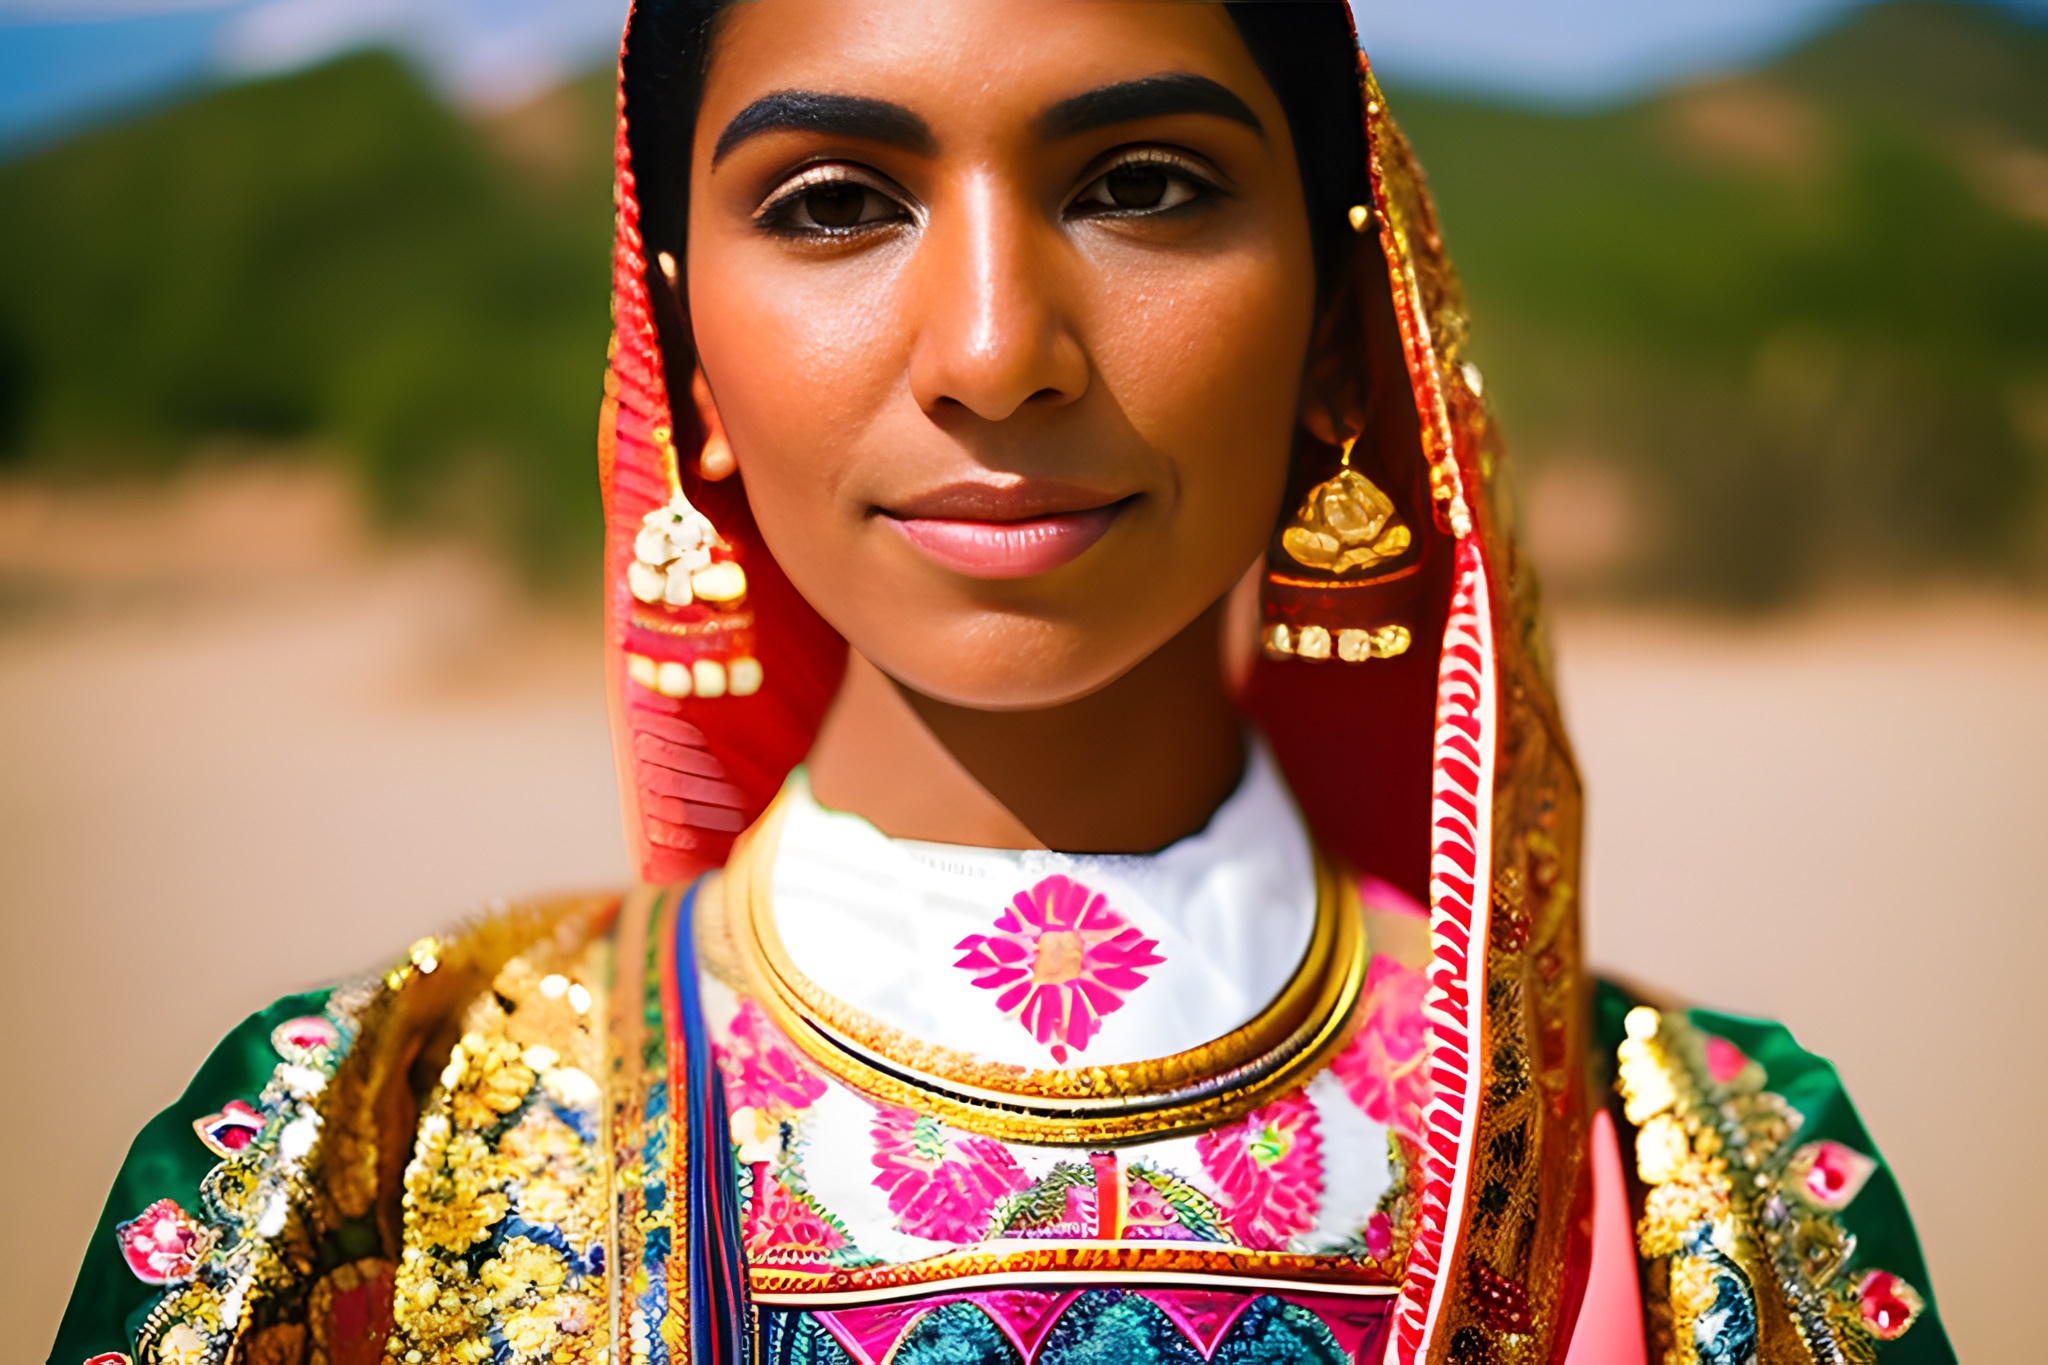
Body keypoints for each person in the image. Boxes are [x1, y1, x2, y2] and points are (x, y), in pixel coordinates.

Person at [52, 3, 1952, 1363]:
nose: (991, 351)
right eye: (828, 202)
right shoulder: (366, 1145)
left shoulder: (1689, 1161)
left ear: (1342, 346)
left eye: (1140, 184)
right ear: (690, 359)